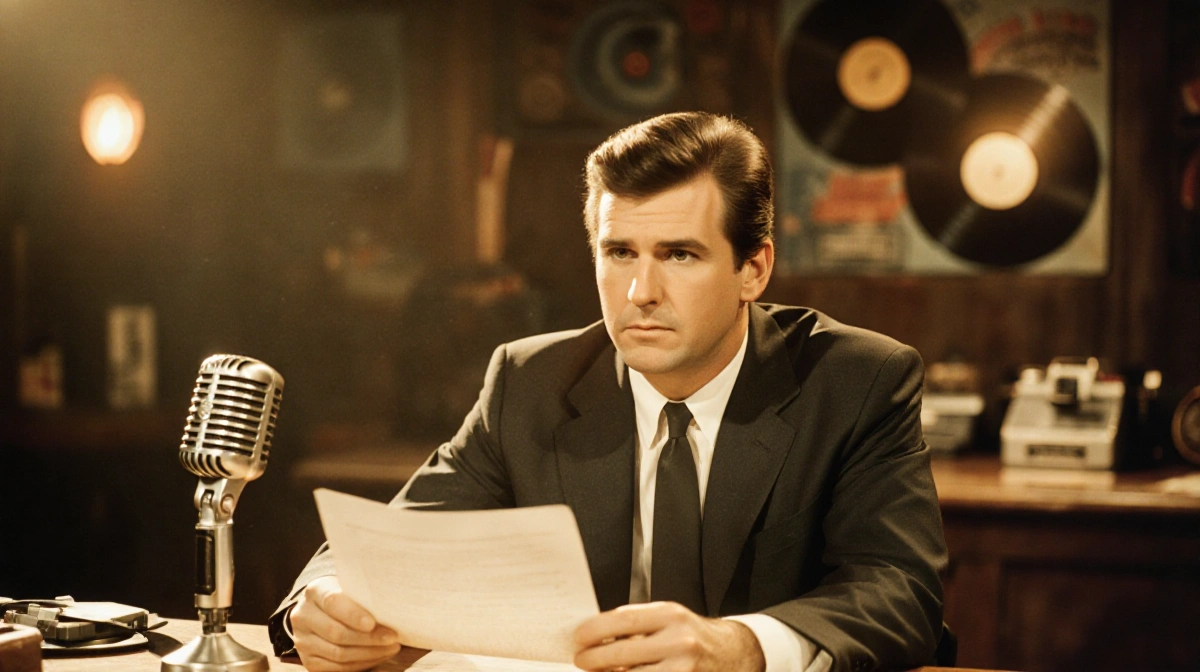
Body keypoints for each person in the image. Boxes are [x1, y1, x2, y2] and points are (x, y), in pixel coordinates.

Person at [268, 112, 948, 672]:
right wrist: (322, 603)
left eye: (679, 254)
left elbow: (900, 590)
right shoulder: (530, 382)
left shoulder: (858, 380)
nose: (640, 293)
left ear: (753, 269)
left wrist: (741, 647)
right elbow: (398, 540)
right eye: (620, 253)